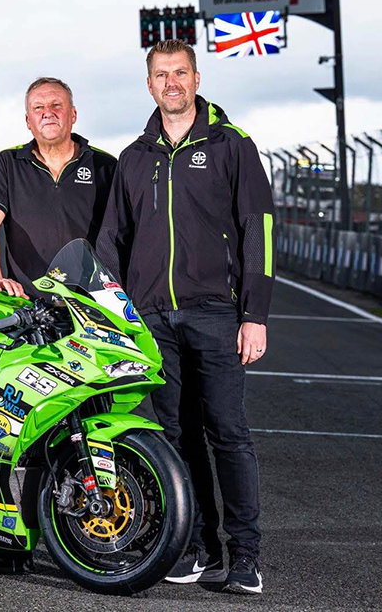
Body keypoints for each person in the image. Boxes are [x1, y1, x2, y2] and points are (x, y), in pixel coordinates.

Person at [97, 39, 274, 595]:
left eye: (180, 73)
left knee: (228, 432)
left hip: (217, 312)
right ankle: (197, 546)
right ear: (149, 84)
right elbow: (112, 239)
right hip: (152, 317)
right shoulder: (134, 156)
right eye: (161, 74)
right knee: (175, 434)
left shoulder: (231, 144)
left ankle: (245, 556)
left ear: (196, 79)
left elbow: (258, 232)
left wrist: (255, 313)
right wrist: (113, 312)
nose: (171, 82)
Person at [0, 77, 117, 572]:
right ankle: (8, 541)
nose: (48, 112)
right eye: (38, 107)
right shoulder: (8, 163)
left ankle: (92, 536)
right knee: (14, 429)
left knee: (90, 425)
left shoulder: (105, 166)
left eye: (57, 105)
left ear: (74, 115)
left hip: (89, 316)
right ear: (27, 119)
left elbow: (124, 235)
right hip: (27, 318)